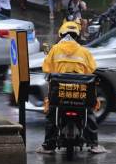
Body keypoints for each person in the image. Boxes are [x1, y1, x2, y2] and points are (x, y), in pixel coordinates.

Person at [37, 21, 106, 154]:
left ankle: (48, 145)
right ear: (78, 36)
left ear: (61, 34)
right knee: (89, 112)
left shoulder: (55, 50)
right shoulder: (84, 52)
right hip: (80, 94)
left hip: (60, 94)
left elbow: (46, 68)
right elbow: (91, 69)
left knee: (52, 114)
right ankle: (94, 145)